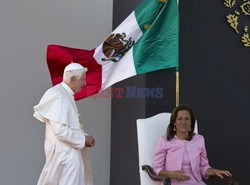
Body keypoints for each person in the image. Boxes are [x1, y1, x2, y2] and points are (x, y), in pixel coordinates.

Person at [33, 63, 95, 185]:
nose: (85, 84)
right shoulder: (58, 95)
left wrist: (85, 136)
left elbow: (72, 126)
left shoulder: (64, 94)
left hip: (68, 153)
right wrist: (83, 139)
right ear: (72, 79)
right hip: (65, 156)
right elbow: (61, 131)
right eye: (82, 80)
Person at [153, 105, 232, 185]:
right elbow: (156, 168)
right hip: (173, 183)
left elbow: (203, 166)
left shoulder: (199, 139)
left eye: (187, 119)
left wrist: (214, 171)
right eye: (179, 119)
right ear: (174, 122)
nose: (183, 122)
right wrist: (171, 174)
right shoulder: (164, 140)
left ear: (191, 122)